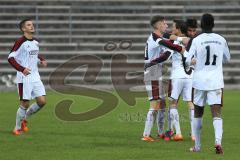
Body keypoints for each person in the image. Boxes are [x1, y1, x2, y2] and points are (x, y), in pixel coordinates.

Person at [183, 14, 230, 154]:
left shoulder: (196, 40)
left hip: (199, 81)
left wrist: (194, 62)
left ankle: (197, 146)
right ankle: (217, 142)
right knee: (216, 113)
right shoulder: (221, 39)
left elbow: (187, 59)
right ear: (213, 24)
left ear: (201, 25)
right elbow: (227, 58)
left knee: (198, 113)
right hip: (215, 81)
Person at [142, 16, 185, 142]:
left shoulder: (158, 37)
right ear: (159, 25)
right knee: (154, 104)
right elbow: (166, 51)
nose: (166, 26)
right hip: (152, 72)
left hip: (155, 72)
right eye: (165, 24)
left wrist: (178, 40)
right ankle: (146, 134)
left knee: (162, 103)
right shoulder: (156, 38)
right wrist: (178, 48)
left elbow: (169, 38)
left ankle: (161, 132)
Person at [8, 19, 47, 135]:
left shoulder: (35, 41)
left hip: (35, 76)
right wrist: (22, 69)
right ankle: (16, 128)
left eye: (32, 24)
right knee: (25, 103)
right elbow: (10, 57)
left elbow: (34, 53)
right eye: (28, 25)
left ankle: (24, 119)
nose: (31, 26)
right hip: (24, 77)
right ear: (23, 29)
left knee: (42, 102)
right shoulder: (20, 42)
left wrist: (41, 59)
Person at [165, 19, 195, 142]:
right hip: (189, 76)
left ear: (178, 29)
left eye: (173, 27)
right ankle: (194, 134)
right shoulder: (191, 42)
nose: (172, 29)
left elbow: (166, 54)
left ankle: (178, 133)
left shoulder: (173, 43)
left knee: (173, 103)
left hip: (177, 76)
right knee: (190, 103)